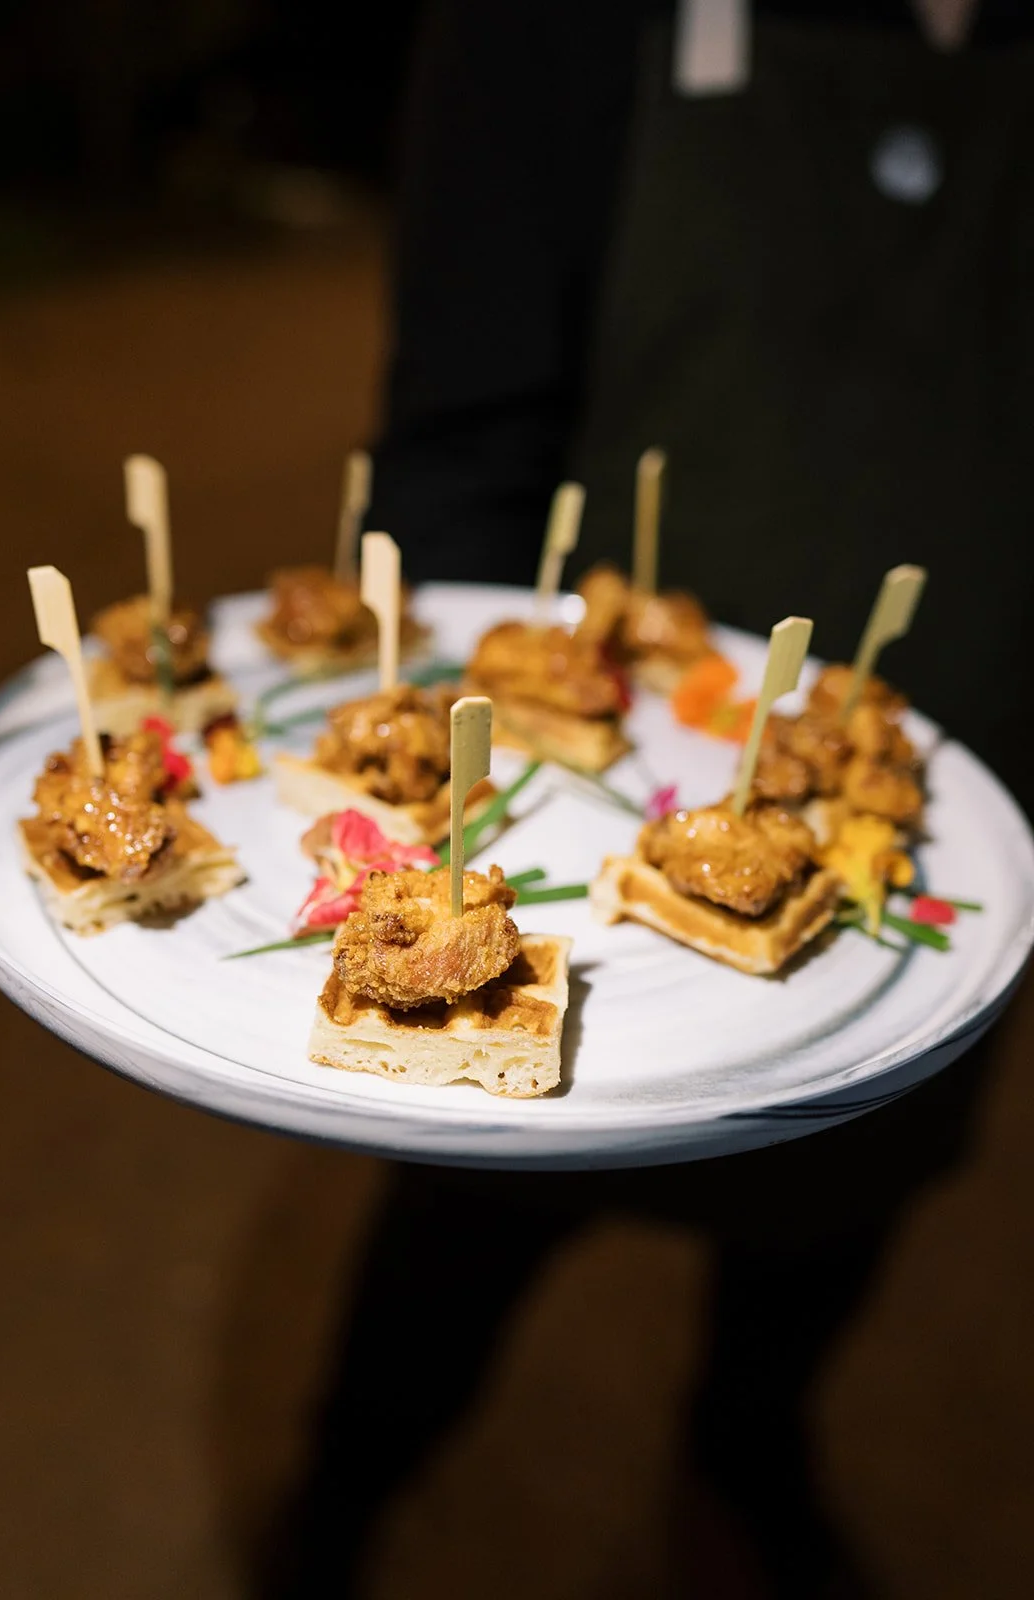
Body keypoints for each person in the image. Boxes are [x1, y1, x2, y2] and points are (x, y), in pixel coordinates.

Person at [259, 3, 1034, 1595]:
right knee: (471, 1219)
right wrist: (424, 785)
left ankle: (747, 1446)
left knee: (839, 1199)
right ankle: (350, 1476)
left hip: (966, 802)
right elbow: (458, 440)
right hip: (580, 801)